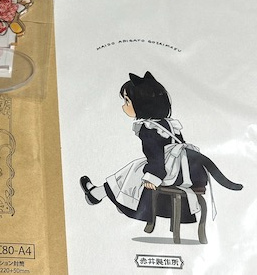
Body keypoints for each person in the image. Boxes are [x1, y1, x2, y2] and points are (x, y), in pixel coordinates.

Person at [80, 71, 242, 226]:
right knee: (136, 170)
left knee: (132, 170)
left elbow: (155, 156)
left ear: (142, 105)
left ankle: (99, 195)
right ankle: (108, 197)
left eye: (127, 101)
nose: (124, 106)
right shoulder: (169, 124)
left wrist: (154, 176)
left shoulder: (148, 128)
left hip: (170, 172)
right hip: (191, 173)